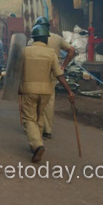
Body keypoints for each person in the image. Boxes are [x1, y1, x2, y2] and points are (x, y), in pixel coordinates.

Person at [20, 25, 75, 163]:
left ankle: (37, 145)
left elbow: (17, 70)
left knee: (29, 118)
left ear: (34, 38)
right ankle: (37, 144)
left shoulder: (26, 51)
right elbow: (59, 74)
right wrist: (69, 90)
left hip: (29, 90)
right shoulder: (51, 53)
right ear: (46, 38)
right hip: (46, 91)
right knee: (40, 116)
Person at [33, 16, 76, 140]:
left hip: (38, 72)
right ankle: (48, 130)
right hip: (53, 72)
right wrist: (63, 66)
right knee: (49, 100)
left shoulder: (35, 39)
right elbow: (71, 50)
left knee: (36, 99)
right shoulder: (57, 38)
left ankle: (37, 128)